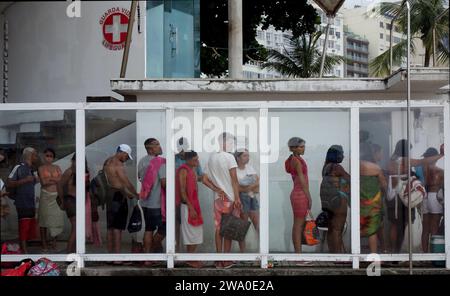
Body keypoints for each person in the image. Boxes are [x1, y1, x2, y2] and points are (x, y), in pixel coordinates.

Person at [387, 139, 444, 253]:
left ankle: (393, 252)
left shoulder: (391, 161)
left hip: (392, 194)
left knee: (394, 224)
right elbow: (421, 161)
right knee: (404, 226)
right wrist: (441, 155)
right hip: (402, 195)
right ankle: (397, 252)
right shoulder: (403, 160)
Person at [204, 132, 241, 269]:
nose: (232, 144)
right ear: (222, 142)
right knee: (228, 230)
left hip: (218, 199)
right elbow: (234, 180)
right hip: (229, 198)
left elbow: (204, 179)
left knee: (219, 228)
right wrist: (237, 198)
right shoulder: (230, 157)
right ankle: (225, 259)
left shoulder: (212, 157)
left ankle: (219, 258)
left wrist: (216, 189)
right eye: (230, 142)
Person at [103, 144, 138, 262]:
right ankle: (117, 257)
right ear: (122, 152)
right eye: (127, 156)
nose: (126, 159)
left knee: (110, 227)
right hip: (118, 196)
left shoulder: (107, 161)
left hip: (109, 194)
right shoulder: (118, 164)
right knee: (117, 227)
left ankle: (109, 256)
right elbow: (125, 182)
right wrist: (135, 193)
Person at [138, 138, 166, 266]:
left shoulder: (142, 161)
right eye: (156, 145)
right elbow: (164, 183)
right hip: (156, 203)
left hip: (145, 202)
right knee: (164, 229)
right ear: (149, 148)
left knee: (149, 229)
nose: (160, 147)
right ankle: (154, 252)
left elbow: (140, 178)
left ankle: (147, 257)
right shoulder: (160, 162)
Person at [6, 147, 40, 253]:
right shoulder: (18, 167)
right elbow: (9, 182)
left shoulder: (31, 169)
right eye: (35, 155)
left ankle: (25, 248)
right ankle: (24, 250)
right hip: (22, 201)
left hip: (30, 202)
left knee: (30, 225)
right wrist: (25, 180)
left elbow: (31, 184)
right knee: (24, 225)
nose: (36, 157)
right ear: (29, 155)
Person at [57, 154, 91, 253]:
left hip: (80, 202)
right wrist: (62, 200)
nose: (78, 163)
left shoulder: (85, 171)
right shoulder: (70, 171)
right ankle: (69, 251)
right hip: (71, 200)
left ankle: (74, 250)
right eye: (76, 160)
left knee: (79, 228)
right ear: (73, 161)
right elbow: (59, 185)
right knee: (76, 227)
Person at [285, 137, 312, 258]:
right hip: (300, 194)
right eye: (301, 146)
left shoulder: (295, 159)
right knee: (298, 225)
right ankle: (298, 256)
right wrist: (309, 197)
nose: (303, 148)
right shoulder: (296, 160)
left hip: (297, 193)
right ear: (293, 148)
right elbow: (301, 179)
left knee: (298, 224)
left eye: (303, 146)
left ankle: (298, 255)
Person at [176, 151, 204, 268]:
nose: (197, 162)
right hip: (188, 206)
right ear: (187, 160)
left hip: (194, 205)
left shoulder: (192, 170)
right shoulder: (183, 170)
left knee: (196, 232)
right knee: (191, 233)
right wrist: (190, 207)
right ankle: (190, 259)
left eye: (197, 159)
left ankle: (191, 258)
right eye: (195, 160)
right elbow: (182, 192)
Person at [320, 145, 350, 253]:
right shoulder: (337, 167)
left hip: (327, 201)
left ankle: (332, 254)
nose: (343, 156)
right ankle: (338, 255)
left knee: (331, 229)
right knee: (338, 229)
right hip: (338, 200)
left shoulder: (326, 167)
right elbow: (350, 178)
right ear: (336, 155)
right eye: (342, 153)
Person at [360, 142, 387, 253]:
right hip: (373, 204)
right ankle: (373, 256)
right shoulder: (376, 168)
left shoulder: (356, 165)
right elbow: (384, 185)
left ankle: (356, 255)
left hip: (360, 202)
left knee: (360, 228)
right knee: (372, 231)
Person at [37, 148, 64, 252]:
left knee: (57, 219)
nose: (49, 158)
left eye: (50, 156)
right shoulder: (41, 168)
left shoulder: (57, 167)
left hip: (56, 195)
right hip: (46, 196)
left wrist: (51, 179)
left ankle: (54, 242)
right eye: (47, 155)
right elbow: (43, 182)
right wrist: (55, 180)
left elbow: (61, 180)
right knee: (44, 219)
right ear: (44, 156)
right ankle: (44, 244)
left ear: (53, 157)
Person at [234, 148, 259, 253]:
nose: (247, 158)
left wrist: (246, 188)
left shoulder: (249, 167)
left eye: (248, 155)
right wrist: (248, 188)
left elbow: (258, 182)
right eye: (244, 156)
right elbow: (236, 187)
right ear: (238, 158)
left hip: (252, 197)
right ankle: (242, 252)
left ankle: (261, 251)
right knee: (242, 227)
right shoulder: (234, 170)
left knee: (258, 225)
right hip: (242, 199)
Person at [420, 147, 444, 252]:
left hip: (425, 196)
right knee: (434, 227)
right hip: (435, 196)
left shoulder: (423, 169)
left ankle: (425, 254)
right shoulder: (439, 171)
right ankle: (433, 254)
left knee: (425, 228)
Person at [372, 143, 387, 253]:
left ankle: (383, 248)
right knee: (378, 225)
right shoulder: (374, 167)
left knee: (379, 225)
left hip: (374, 199)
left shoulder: (371, 166)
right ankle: (382, 249)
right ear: (376, 153)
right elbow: (383, 185)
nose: (382, 155)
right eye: (381, 152)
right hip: (375, 200)